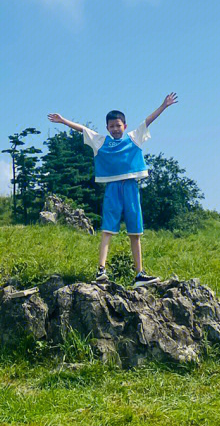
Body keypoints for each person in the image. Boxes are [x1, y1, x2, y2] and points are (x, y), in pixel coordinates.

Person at [47, 92, 177, 285]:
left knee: (135, 232)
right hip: (113, 188)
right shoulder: (101, 141)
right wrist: (63, 121)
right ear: (107, 127)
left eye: (118, 125)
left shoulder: (134, 137)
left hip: (131, 187)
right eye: (112, 126)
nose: (115, 129)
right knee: (108, 229)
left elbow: (148, 120)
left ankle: (139, 274)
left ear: (124, 125)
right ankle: (101, 270)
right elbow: (82, 129)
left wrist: (164, 106)